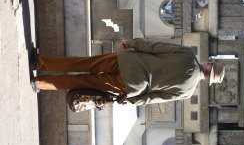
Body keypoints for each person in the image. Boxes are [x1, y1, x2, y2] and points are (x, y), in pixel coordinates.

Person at [30, 38, 225, 106]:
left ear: (208, 64)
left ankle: (40, 62)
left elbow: (155, 47)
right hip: (130, 86)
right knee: (83, 82)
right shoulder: (187, 92)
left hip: (128, 61)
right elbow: (154, 98)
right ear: (208, 81)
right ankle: (40, 84)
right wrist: (131, 99)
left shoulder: (188, 55)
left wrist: (131, 43)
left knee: (84, 64)